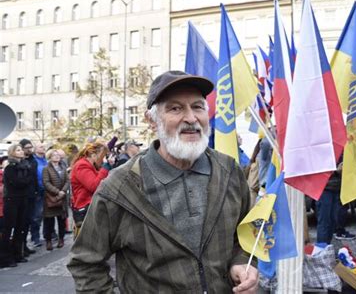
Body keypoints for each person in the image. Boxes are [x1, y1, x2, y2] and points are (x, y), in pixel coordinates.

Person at [68, 70, 258, 293]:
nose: (190, 118)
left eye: (197, 106)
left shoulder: (229, 171)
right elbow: (85, 264)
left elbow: (246, 234)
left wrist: (243, 262)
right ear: (152, 121)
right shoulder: (120, 187)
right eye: (175, 108)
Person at [69, 142, 114, 238]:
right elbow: (94, 186)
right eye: (103, 156)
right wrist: (105, 167)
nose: (104, 159)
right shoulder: (81, 165)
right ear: (94, 155)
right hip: (85, 208)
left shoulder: (91, 165)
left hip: (91, 207)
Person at [0, 145, 35, 266]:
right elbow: (17, 183)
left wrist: (26, 181)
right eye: (18, 150)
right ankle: (6, 257)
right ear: (12, 153)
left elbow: (30, 179)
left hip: (23, 198)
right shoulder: (10, 168)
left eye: (21, 150)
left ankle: (17, 254)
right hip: (11, 200)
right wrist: (26, 181)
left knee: (20, 227)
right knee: (8, 228)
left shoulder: (26, 166)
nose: (21, 152)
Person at [42, 149, 69, 251]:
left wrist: (63, 191)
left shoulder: (63, 167)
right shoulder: (46, 168)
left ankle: (61, 239)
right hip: (51, 198)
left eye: (58, 155)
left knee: (61, 220)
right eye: (54, 155)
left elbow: (67, 180)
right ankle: (48, 241)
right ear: (50, 157)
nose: (57, 156)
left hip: (62, 198)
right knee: (49, 221)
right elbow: (46, 182)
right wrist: (57, 192)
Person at [18, 139, 40, 251]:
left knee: (29, 220)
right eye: (27, 148)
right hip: (21, 195)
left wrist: (36, 191)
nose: (29, 150)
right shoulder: (20, 162)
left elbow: (35, 177)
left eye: (31, 147)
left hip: (32, 194)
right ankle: (20, 246)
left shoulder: (33, 161)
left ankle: (25, 246)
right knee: (22, 221)